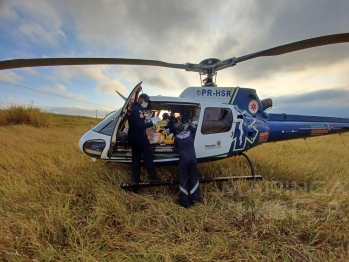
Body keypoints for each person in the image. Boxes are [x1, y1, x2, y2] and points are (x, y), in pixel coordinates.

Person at [128, 93, 160, 184]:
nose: (145, 103)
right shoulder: (138, 110)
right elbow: (140, 125)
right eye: (145, 101)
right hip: (139, 136)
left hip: (132, 136)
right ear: (140, 99)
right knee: (147, 156)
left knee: (135, 158)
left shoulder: (131, 108)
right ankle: (152, 176)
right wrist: (152, 123)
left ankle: (135, 179)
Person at [173, 122, 200, 208]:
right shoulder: (189, 133)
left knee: (183, 179)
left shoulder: (177, 137)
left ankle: (185, 202)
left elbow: (176, 146)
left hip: (184, 159)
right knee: (194, 177)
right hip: (193, 157)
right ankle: (195, 199)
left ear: (176, 130)